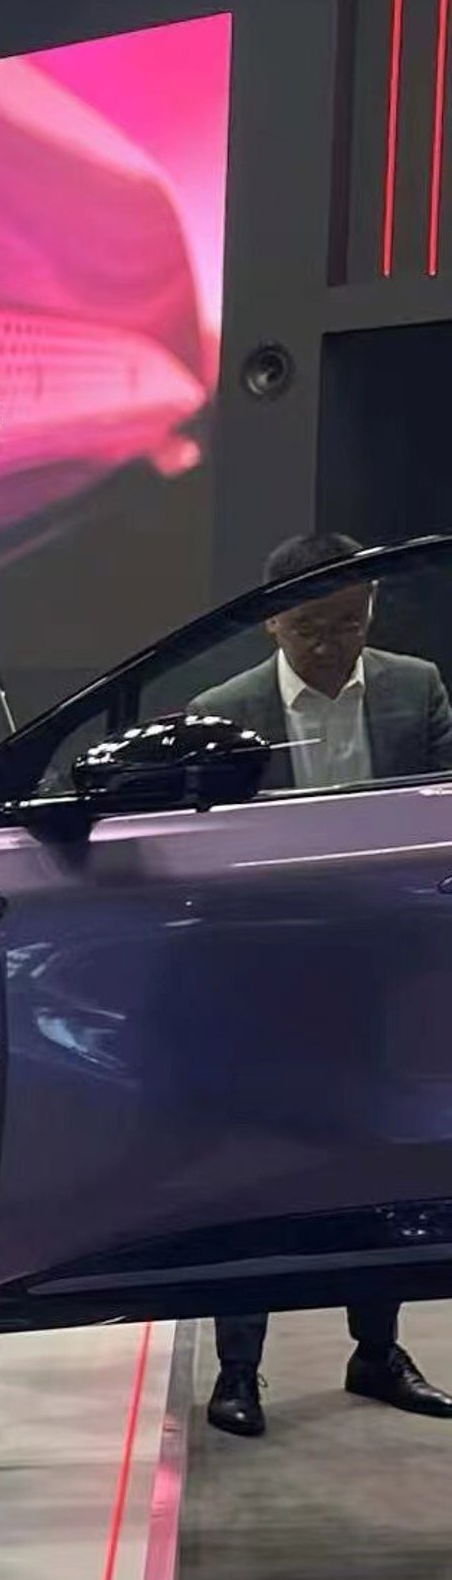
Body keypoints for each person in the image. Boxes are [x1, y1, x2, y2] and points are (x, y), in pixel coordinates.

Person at [191, 529, 452, 1435]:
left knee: (381, 1171)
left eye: (348, 624)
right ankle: (238, 1371)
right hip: (267, 981)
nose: (332, 645)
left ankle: (377, 1351)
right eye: (312, 629)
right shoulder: (225, 709)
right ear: (273, 623)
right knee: (252, 1173)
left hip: (388, 975)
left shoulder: (415, 688)